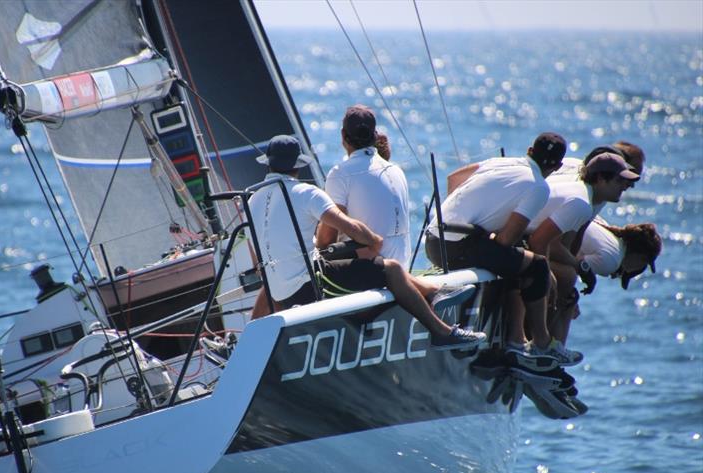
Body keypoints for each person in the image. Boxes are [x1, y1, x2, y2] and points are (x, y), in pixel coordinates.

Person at [248, 134, 485, 350]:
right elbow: (348, 226)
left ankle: (433, 292)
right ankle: (441, 332)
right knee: (390, 268)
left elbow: (257, 259)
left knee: (340, 256)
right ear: (297, 166)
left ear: (268, 163)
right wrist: (373, 239)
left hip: (279, 294)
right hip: (311, 287)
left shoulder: (252, 201)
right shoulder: (305, 192)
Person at [425, 132, 576, 368]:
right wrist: (488, 232)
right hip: (455, 247)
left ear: (529, 151)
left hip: (434, 236)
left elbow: (454, 178)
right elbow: (506, 240)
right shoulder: (539, 187)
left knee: (517, 259)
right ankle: (542, 343)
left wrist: (471, 215)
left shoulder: (500, 162)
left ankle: (517, 339)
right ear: (557, 166)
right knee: (537, 266)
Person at [522, 152, 640, 349]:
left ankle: (551, 348)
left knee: (569, 286)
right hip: (521, 239)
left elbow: (568, 242)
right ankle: (537, 343)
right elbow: (544, 242)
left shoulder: (593, 199)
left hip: (528, 240)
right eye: (620, 181)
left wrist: (579, 269)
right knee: (565, 277)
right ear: (601, 179)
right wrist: (576, 267)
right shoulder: (581, 202)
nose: (626, 186)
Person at [315, 105, 411, 265]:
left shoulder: (340, 174)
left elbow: (326, 239)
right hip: (403, 266)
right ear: (375, 135)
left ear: (343, 136)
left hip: (373, 272)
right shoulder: (396, 170)